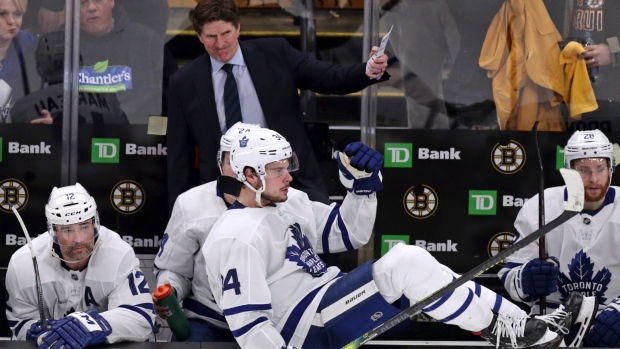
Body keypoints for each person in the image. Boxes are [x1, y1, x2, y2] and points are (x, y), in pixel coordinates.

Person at [203, 127, 592, 348]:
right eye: (277, 169)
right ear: (248, 174)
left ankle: (526, 329)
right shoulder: (234, 236)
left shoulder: (288, 202)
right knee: (404, 263)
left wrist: (361, 189)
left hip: (330, 299)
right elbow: (251, 325)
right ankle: (519, 333)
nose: (288, 176)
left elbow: (347, 233)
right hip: (305, 330)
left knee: (416, 268)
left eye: (289, 166)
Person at [166, 0, 390, 212]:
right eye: (211, 36)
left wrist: (367, 70)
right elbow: (179, 158)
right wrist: (178, 212)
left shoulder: (275, 53)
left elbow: (328, 78)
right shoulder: (184, 82)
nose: (220, 43)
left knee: (317, 243)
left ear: (238, 29)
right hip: (225, 190)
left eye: (226, 33)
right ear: (199, 37)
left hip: (291, 179)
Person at [499, 129, 619, 347]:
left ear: (611, 169)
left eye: (600, 169)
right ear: (569, 170)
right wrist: (526, 280)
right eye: (584, 170)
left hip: (611, 318)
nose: (593, 179)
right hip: (553, 323)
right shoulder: (540, 206)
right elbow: (509, 277)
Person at [5, 183, 155, 348]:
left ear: (94, 223)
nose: (78, 239)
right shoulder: (23, 263)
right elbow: (20, 322)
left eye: (84, 226)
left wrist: (87, 325)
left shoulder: (118, 253)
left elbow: (141, 318)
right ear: (54, 230)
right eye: (68, 229)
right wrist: (38, 331)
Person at [152, 122, 261, 342]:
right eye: (233, 160)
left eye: (248, 161)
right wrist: (169, 290)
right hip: (208, 318)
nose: (239, 170)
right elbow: (174, 270)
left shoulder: (285, 202)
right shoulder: (191, 204)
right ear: (221, 161)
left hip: (267, 318)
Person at [11, 30, 129, 124]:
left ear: (39, 67)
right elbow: (126, 141)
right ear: (80, 62)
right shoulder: (109, 100)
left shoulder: (22, 108)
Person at [77, 0, 165, 124]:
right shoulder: (59, 44)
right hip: (77, 136)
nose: (91, 8)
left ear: (112, 2)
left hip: (136, 137)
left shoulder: (146, 41)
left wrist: (156, 138)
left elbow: (168, 99)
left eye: (98, 0)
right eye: (82, 3)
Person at [0, 0, 36, 123]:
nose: (11, 21)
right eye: (2, 14)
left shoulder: (28, 43)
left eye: (17, 14)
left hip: (15, 136)